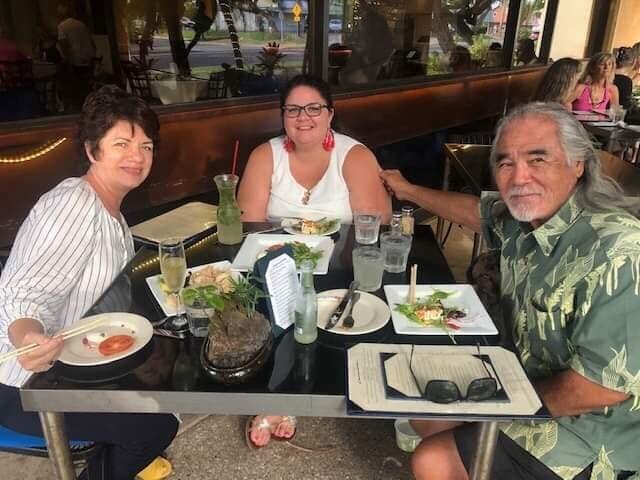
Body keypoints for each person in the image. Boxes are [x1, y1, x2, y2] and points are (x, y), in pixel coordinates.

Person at [380, 102, 640, 480]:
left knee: (433, 460)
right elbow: (475, 212)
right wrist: (407, 190)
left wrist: (500, 401)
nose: (519, 176)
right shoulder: (526, 218)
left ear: (578, 164)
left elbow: (600, 390)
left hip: (595, 433)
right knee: (425, 410)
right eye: (505, 163)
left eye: (538, 159)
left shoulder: (619, 251)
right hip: (527, 382)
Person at [0, 85, 178, 480]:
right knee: (157, 426)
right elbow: (20, 294)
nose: (137, 157)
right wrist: (28, 338)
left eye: (146, 146)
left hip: (76, 365)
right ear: (91, 150)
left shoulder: (110, 210)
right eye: (121, 144)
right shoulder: (74, 205)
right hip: (23, 385)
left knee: (162, 384)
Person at [238, 74, 391, 224]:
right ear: (283, 116)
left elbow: (374, 228)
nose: (302, 117)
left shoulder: (356, 157)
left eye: (313, 108)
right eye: (293, 110)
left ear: (330, 115)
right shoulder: (264, 156)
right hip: (274, 242)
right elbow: (248, 225)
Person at [56, 2, 96, 111]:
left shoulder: (62, 26)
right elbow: (92, 43)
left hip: (75, 60)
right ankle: (88, 106)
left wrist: (66, 59)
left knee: (75, 86)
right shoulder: (82, 25)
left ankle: (76, 107)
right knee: (86, 86)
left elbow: (64, 44)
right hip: (87, 59)